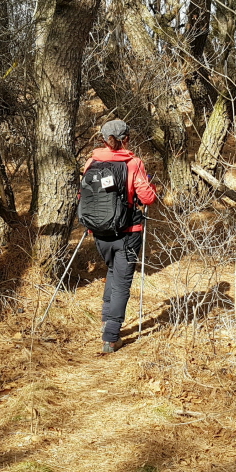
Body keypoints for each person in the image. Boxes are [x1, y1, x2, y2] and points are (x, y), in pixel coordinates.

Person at [81, 119, 157, 354]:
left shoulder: (91, 161)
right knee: (122, 282)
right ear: (127, 139)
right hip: (127, 232)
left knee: (113, 270)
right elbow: (147, 198)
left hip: (99, 231)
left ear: (103, 139)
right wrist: (152, 188)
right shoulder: (133, 163)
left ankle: (107, 320)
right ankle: (111, 338)